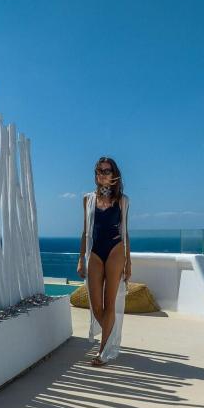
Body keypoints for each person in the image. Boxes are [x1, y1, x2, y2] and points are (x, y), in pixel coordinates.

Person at [77, 157, 131, 366]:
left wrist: (128, 262)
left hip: (116, 250)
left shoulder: (123, 200)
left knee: (110, 304)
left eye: (107, 171)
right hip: (95, 252)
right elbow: (85, 231)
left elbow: (125, 232)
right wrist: (81, 258)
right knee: (96, 306)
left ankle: (103, 351)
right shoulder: (88, 199)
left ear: (114, 174)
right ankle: (112, 336)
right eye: (99, 171)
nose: (102, 174)